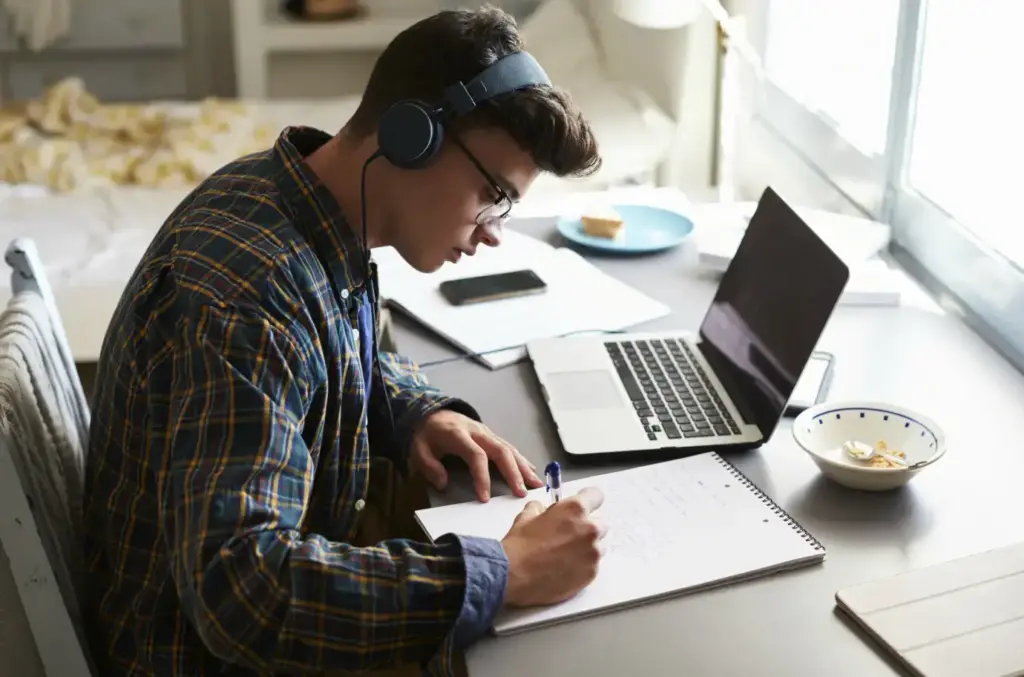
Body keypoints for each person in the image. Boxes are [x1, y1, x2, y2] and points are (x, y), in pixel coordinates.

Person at [82, 5, 607, 677]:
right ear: (410, 135)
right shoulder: (251, 297)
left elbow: (330, 351)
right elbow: (242, 593)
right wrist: (503, 570)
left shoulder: (292, 202)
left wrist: (417, 410)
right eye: (490, 192)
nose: (491, 231)